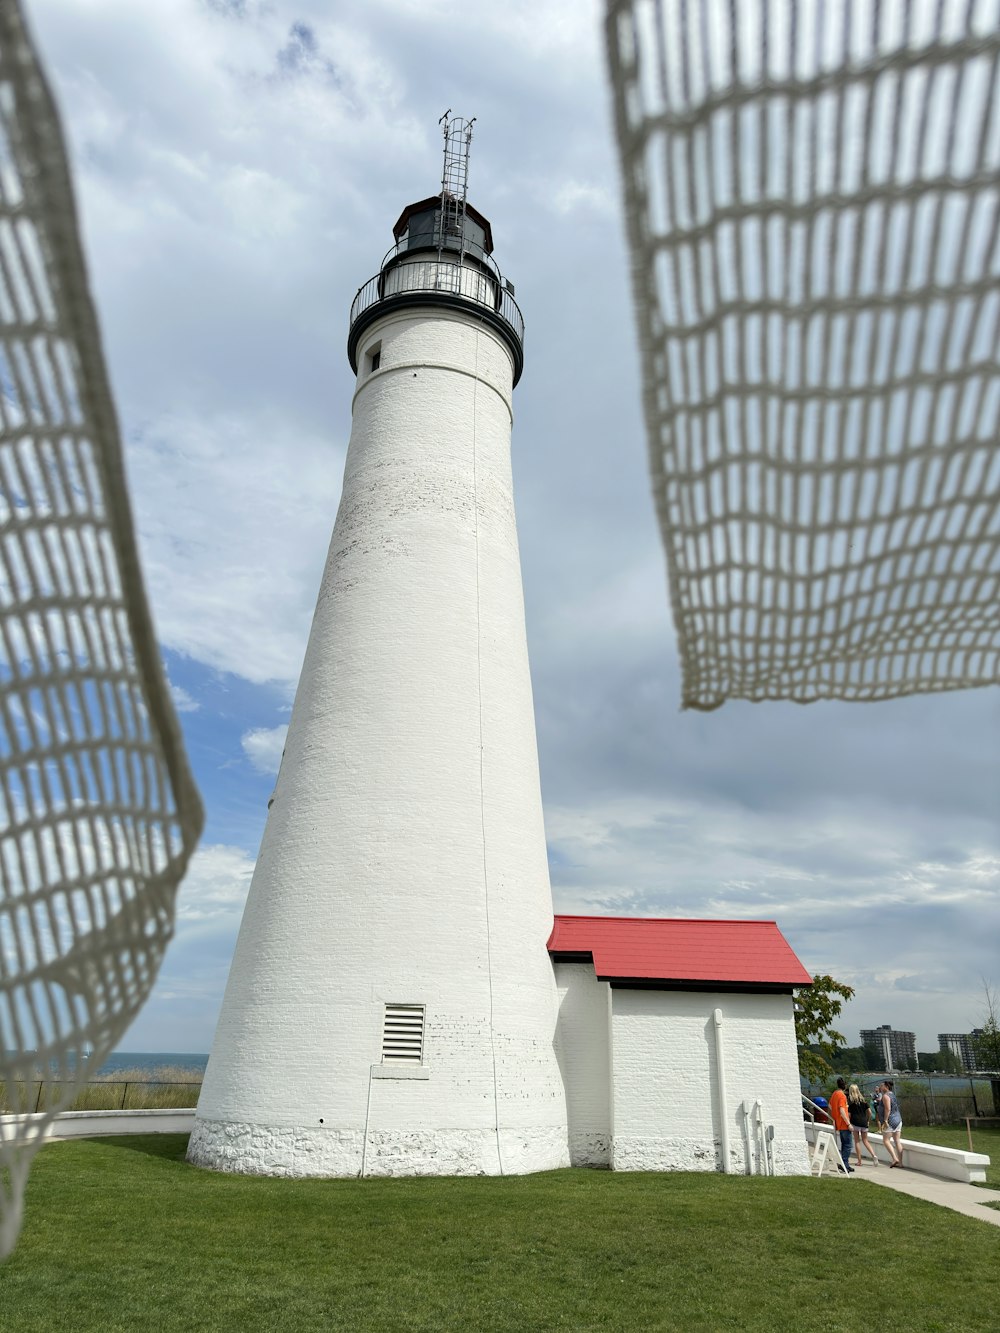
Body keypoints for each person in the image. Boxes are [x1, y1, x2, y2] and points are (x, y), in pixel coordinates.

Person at [848, 1083, 879, 1166]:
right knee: (865, 1141)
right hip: (864, 1122)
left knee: (857, 1141)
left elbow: (849, 1114)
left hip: (855, 1122)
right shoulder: (863, 1101)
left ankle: (859, 1161)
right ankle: (874, 1155)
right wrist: (868, 1120)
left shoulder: (851, 1102)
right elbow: (869, 1112)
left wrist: (848, 1122)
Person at [828, 1076, 854, 1173]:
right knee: (848, 1145)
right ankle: (844, 1163)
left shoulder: (834, 1094)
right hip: (843, 1124)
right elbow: (842, 1110)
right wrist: (848, 1124)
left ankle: (845, 1164)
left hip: (838, 1123)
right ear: (845, 1085)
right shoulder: (842, 1096)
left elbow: (830, 1106)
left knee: (844, 1144)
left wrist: (833, 1117)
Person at [880, 1079, 904, 1167]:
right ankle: (901, 1163)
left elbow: (888, 1108)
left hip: (890, 1120)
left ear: (886, 1087)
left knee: (886, 1140)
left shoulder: (886, 1096)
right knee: (897, 1140)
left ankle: (895, 1158)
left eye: (882, 1086)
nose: (880, 1087)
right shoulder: (892, 1095)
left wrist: (885, 1120)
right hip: (898, 1119)